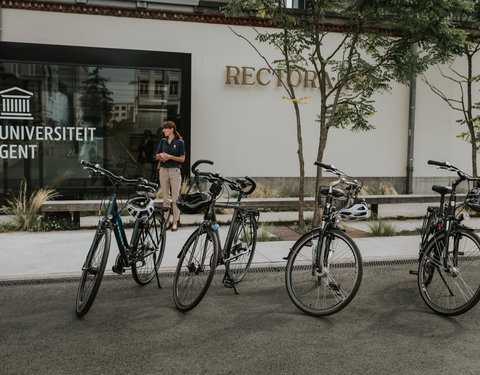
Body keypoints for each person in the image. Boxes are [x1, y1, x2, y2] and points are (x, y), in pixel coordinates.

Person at [156, 121, 185, 231]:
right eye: (163, 128)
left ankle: (175, 222)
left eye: (165, 128)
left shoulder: (180, 142)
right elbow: (156, 155)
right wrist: (162, 156)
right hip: (163, 171)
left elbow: (182, 159)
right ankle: (166, 221)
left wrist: (169, 156)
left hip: (175, 171)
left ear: (171, 129)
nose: (163, 130)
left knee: (175, 198)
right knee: (165, 198)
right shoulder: (163, 141)